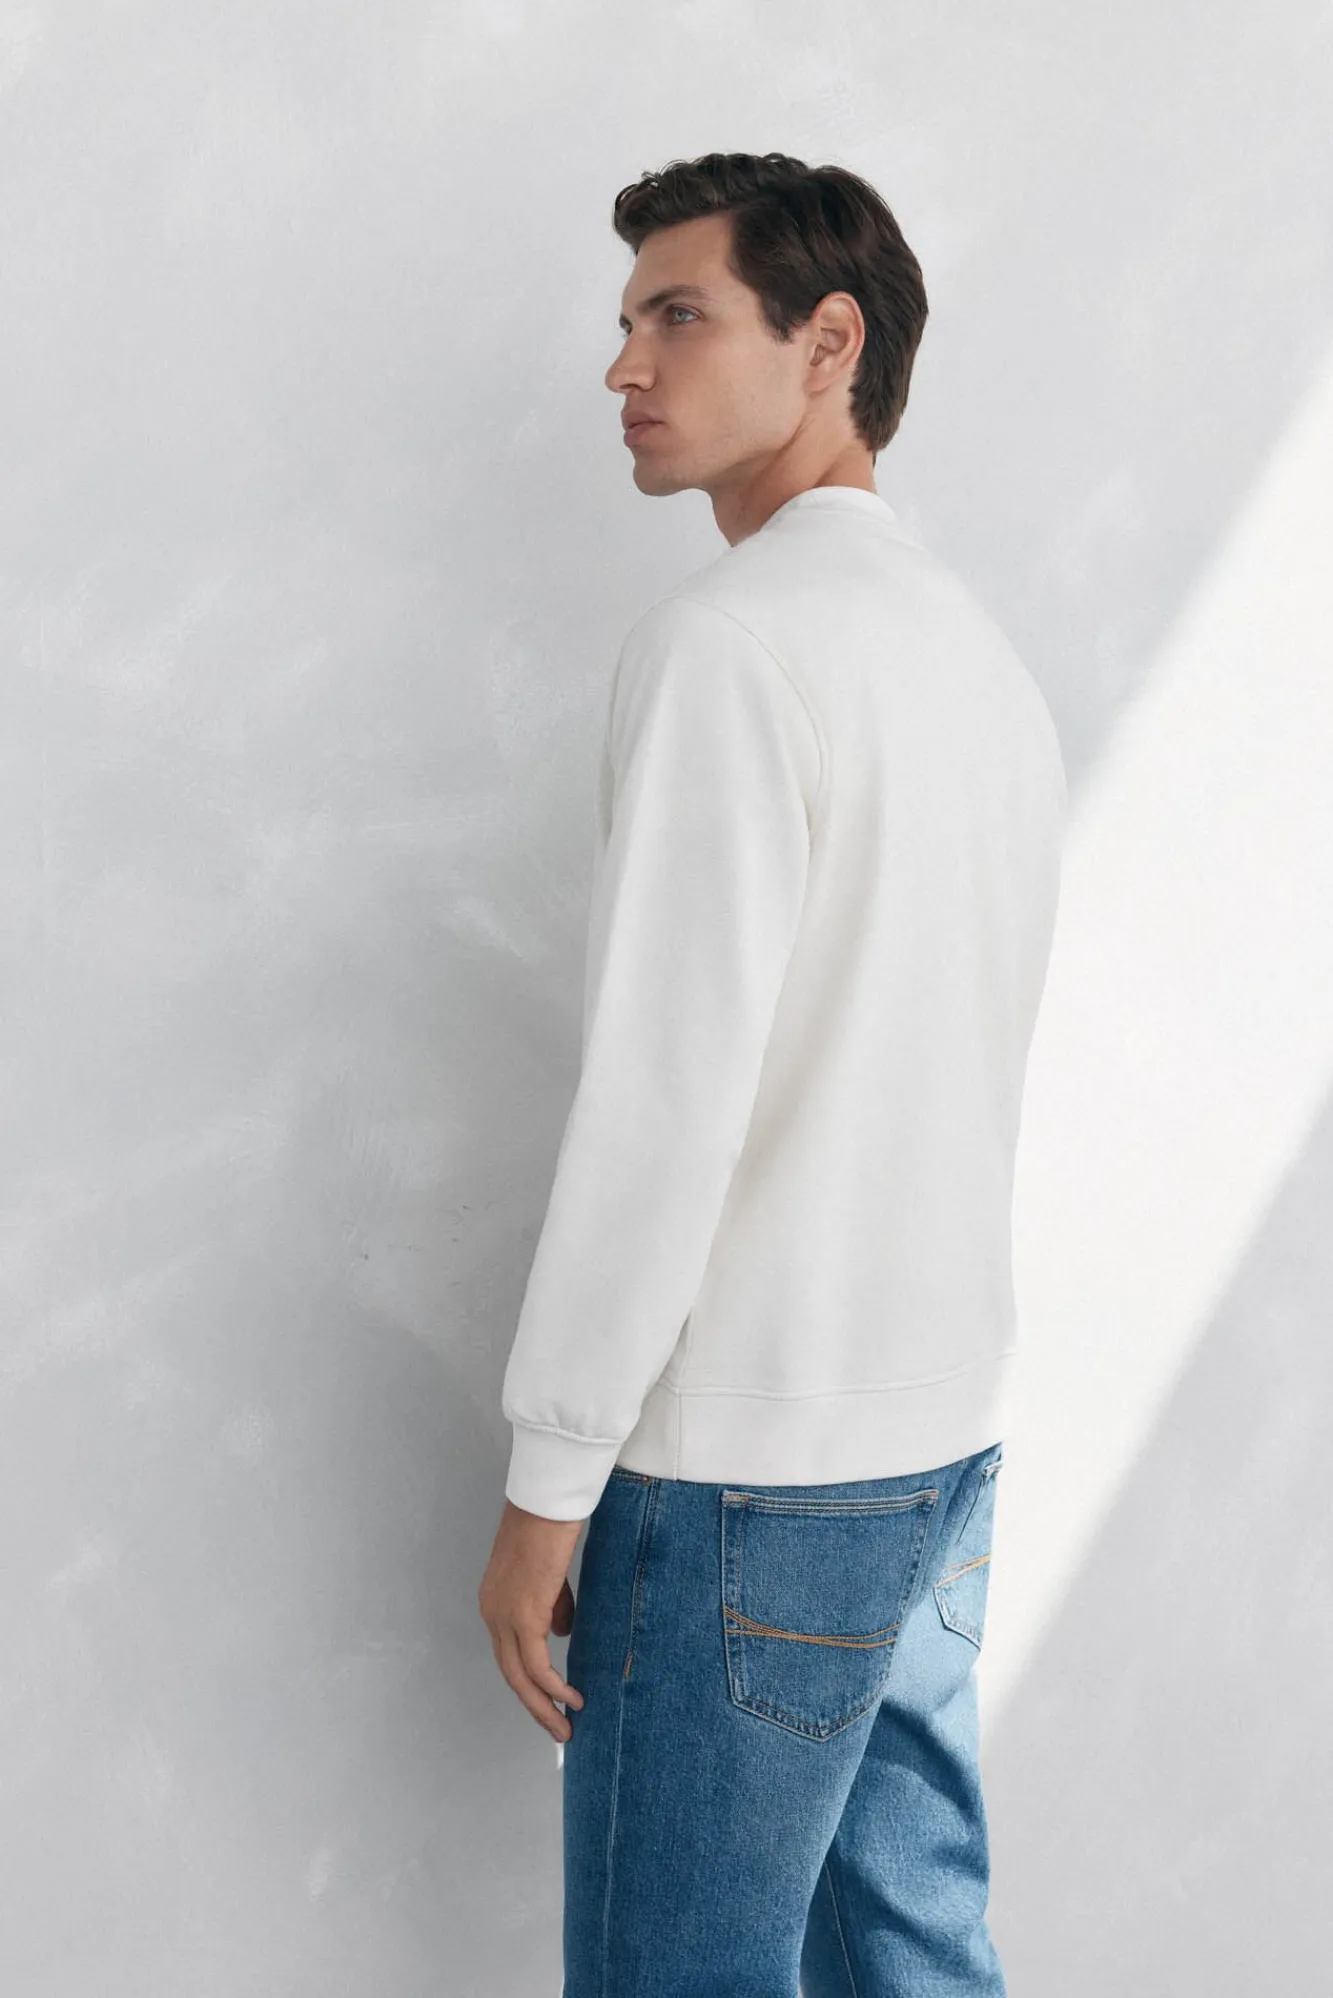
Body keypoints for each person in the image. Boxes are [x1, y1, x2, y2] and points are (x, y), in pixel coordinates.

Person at [478, 150, 1067, 1996]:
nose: (624, 364)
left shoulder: (731, 649)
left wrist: (549, 1480)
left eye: (679, 313)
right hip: (927, 1441)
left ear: (830, 344)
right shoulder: (976, 660)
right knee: (914, 1956)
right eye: (626, 318)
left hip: (744, 1468)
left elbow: (665, 1106)